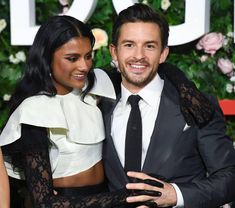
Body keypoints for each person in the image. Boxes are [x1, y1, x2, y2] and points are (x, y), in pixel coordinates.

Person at [101, 3, 235, 208]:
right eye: (129, 44)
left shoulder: (197, 106)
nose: (139, 55)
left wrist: (176, 195)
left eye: (149, 46)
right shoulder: (98, 106)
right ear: (114, 51)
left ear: (163, 53)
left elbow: (230, 176)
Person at [0, 15, 140, 208]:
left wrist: (185, 88)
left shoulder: (95, 86)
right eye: (72, 58)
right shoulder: (34, 110)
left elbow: (148, 70)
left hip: (103, 198)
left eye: (88, 56)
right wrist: (125, 196)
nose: (84, 66)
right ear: (47, 58)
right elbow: (44, 202)